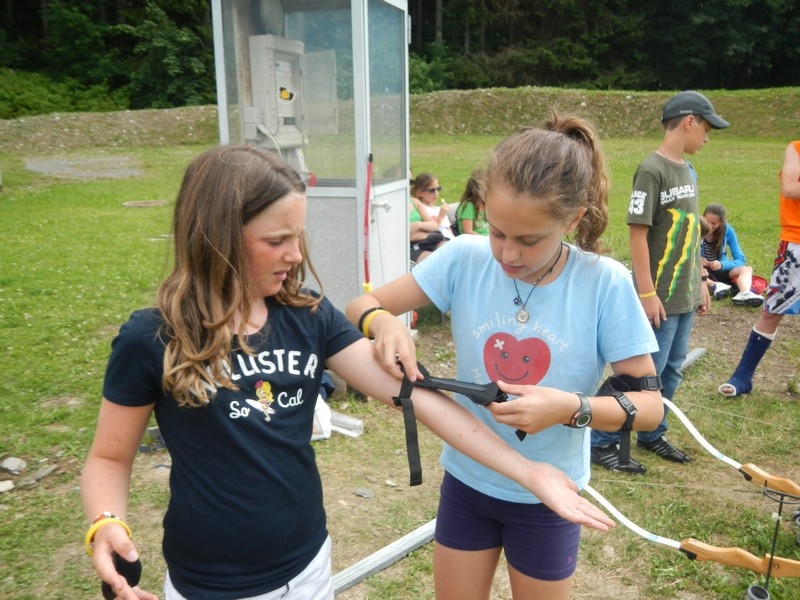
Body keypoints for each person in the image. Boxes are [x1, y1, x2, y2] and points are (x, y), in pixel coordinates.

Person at [80, 145, 614, 600]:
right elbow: (109, 455)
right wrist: (106, 523)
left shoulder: (309, 317)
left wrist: (529, 472)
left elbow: (418, 397)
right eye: (275, 241)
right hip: (206, 582)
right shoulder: (151, 338)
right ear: (215, 234)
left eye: (299, 236)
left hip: (308, 567)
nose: (295, 254)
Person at [346, 113, 664, 600]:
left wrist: (570, 409)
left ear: (574, 219)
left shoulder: (605, 284)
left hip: (548, 496)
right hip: (467, 481)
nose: (507, 254)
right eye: (497, 231)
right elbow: (359, 305)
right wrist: (383, 322)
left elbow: (648, 409)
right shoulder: (464, 258)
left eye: (529, 240)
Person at [591, 90, 726, 474]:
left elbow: (690, 232)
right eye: (707, 128)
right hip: (659, 297)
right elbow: (637, 235)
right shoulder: (652, 170)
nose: (707, 137)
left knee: (671, 371)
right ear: (689, 122)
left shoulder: (688, 170)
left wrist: (700, 279)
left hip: (683, 295)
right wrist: (646, 293)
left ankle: (652, 431)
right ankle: (601, 442)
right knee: (641, 375)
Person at [719, 141, 800, 397]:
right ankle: (743, 376)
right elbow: (790, 187)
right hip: (796, 243)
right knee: (772, 310)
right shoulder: (795, 149)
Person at [701, 202, 764, 306]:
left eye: (714, 223)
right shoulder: (695, 229)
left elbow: (740, 259)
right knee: (690, 269)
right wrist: (697, 260)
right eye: (707, 222)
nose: (710, 226)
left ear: (721, 223)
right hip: (701, 272)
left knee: (747, 269)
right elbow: (683, 256)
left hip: (721, 270)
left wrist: (722, 265)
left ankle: (745, 293)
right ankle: (716, 285)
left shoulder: (728, 231)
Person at [412, 172, 455, 239]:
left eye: (438, 189)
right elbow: (432, 230)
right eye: (432, 190)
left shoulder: (439, 209)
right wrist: (440, 216)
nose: (436, 193)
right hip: (437, 241)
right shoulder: (422, 210)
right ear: (420, 193)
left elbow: (449, 230)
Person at [455, 169, 489, 235]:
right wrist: (486, 240)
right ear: (477, 189)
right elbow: (468, 231)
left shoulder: (487, 205)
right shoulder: (469, 206)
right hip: (473, 240)